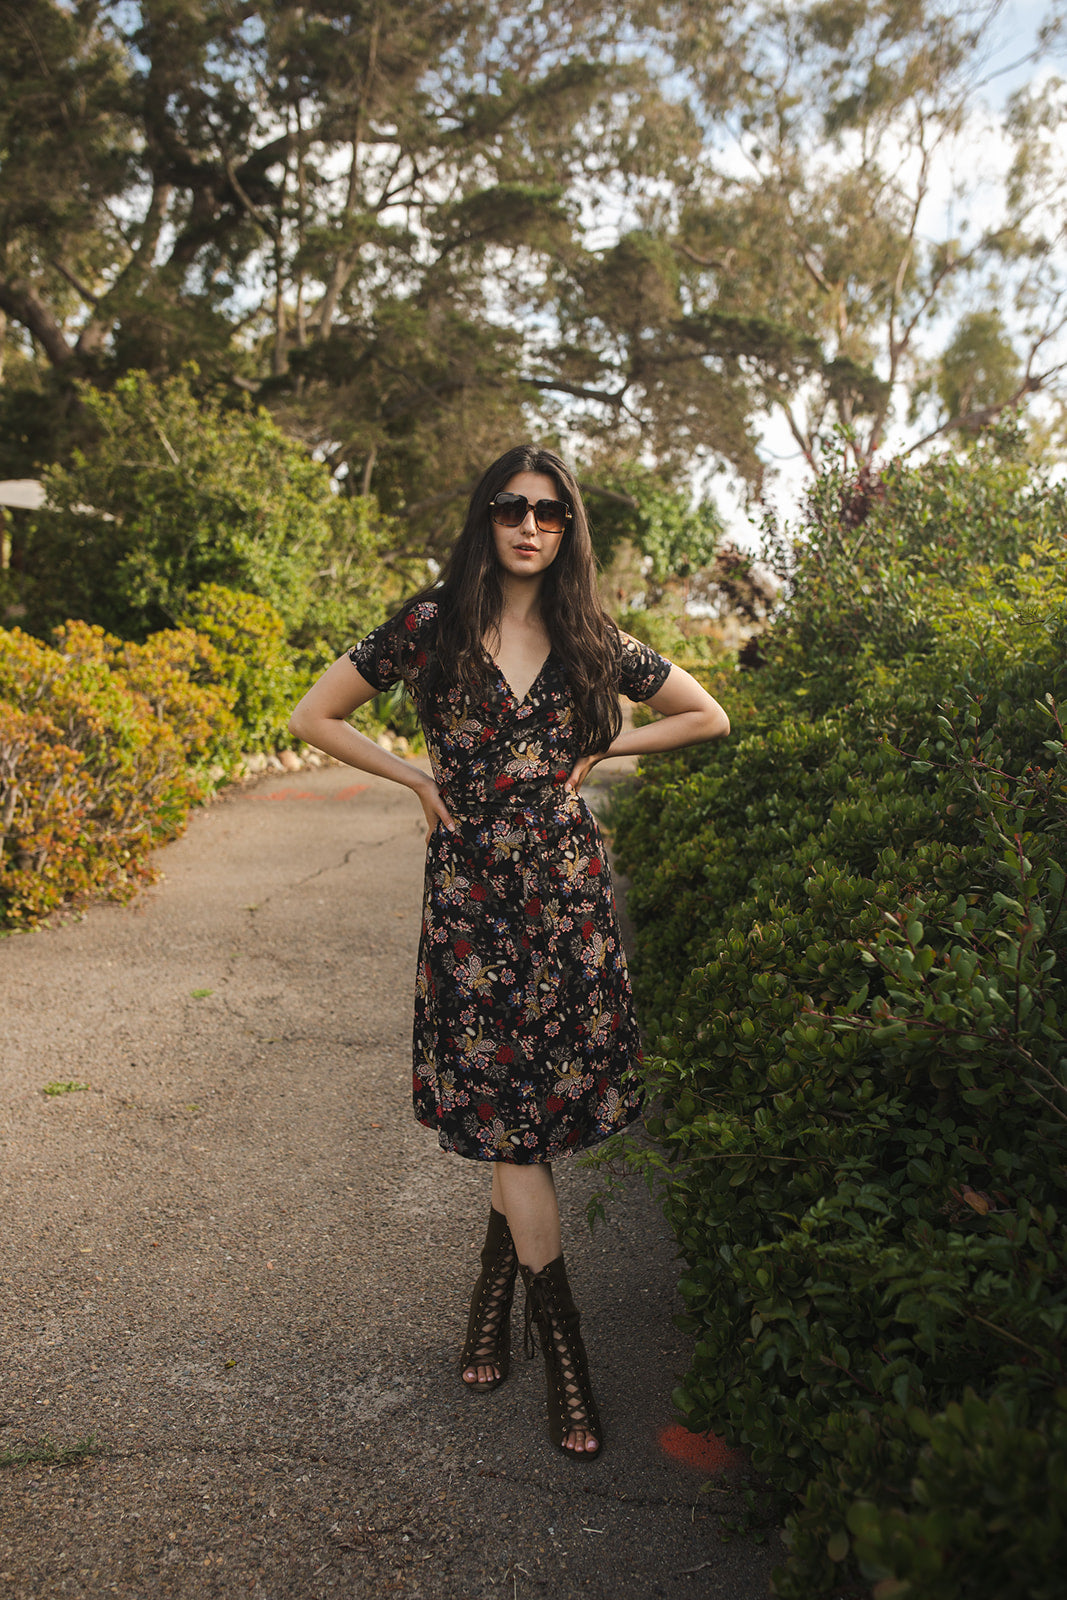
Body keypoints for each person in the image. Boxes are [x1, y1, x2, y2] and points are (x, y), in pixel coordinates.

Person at [289, 444, 729, 1460]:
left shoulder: (590, 635)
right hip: (471, 899)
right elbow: (312, 714)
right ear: (483, 520)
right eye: (509, 507)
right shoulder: (430, 624)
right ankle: (565, 1357)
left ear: (568, 528)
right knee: (511, 1120)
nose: (529, 525)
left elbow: (705, 714)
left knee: (521, 1114)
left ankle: (493, 1291)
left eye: (549, 512)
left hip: (566, 896)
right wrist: (407, 774)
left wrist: (604, 746)